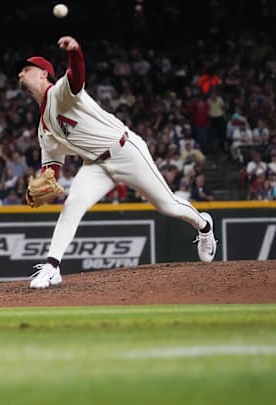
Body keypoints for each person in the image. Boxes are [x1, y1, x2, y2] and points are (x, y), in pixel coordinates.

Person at [16, 35, 217, 289]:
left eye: (26, 69)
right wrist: (43, 183)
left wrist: (75, 51)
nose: (21, 73)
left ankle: (204, 225)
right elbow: (52, 165)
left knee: (168, 206)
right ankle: (51, 267)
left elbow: (76, 77)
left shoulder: (59, 93)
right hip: (95, 166)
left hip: (125, 151)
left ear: (44, 74)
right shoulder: (43, 128)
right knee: (72, 207)